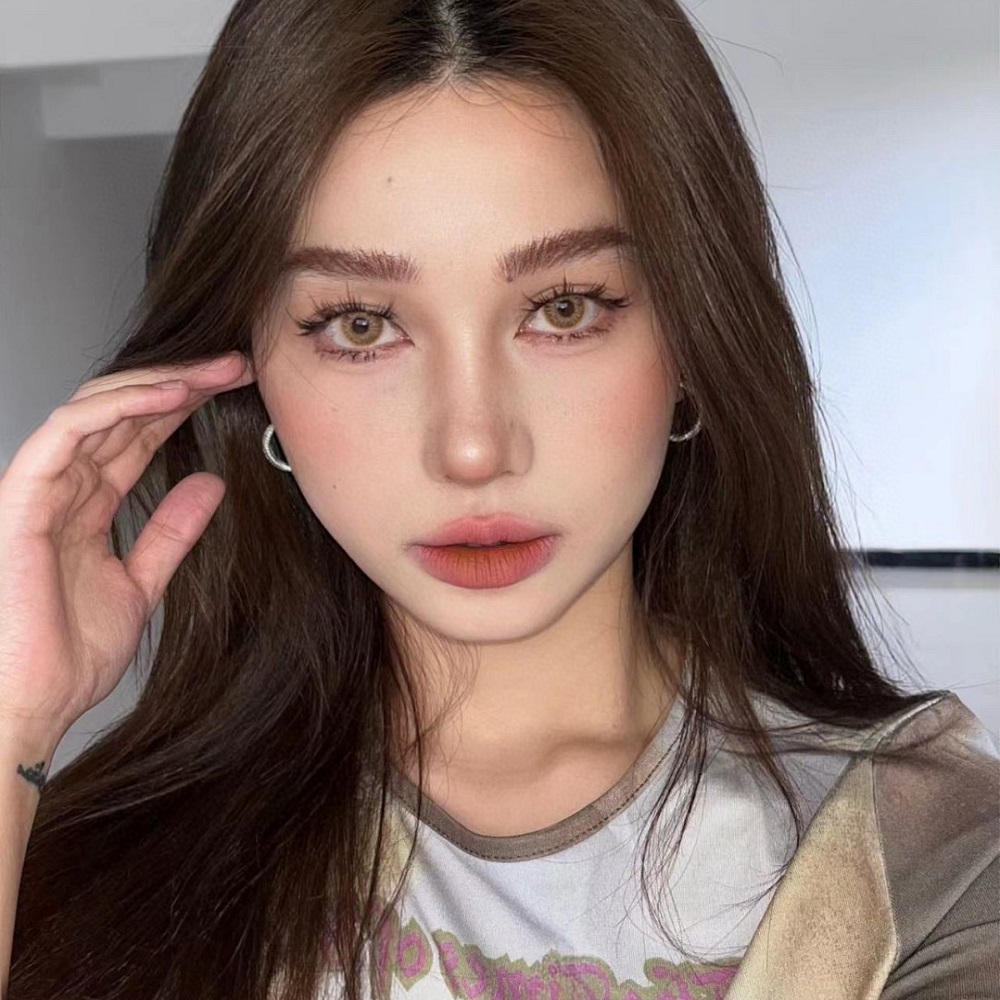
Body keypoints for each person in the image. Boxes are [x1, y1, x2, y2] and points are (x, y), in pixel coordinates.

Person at [0, 0, 996, 998]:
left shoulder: (922, 858)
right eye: (359, 325)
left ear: (692, 342)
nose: (473, 448)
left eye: (564, 309)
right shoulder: (91, 851)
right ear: (250, 373)